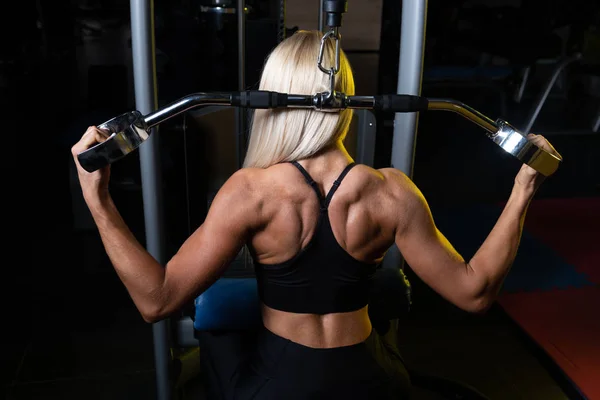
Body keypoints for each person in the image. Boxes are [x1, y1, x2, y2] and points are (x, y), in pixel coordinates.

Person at [71, 30, 561, 399]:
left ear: (274, 98)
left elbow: (156, 301)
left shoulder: (252, 193)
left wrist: (99, 199)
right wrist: (523, 190)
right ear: (344, 100)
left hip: (282, 380)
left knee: (212, 350)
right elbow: (475, 293)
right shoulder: (392, 191)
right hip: (373, 380)